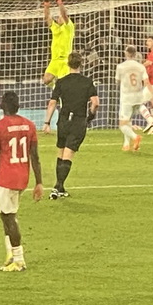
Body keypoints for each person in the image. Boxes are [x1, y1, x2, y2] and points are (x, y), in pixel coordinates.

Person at [0, 90, 44, 272]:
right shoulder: (29, 125)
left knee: (9, 218)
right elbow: (35, 157)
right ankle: (10, 253)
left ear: (2, 106)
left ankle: (19, 259)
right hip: (22, 176)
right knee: (7, 214)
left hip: (6, 178)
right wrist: (39, 182)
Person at [44, 52, 99, 199]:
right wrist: (91, 115)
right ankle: (56, 187)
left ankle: (60, 188)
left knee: (60, 152)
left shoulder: (61, 82)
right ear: (81, 64)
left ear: (68, 64)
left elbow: (52, 103)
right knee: (68, 154)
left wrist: (47, 122)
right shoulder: (87, 82)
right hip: (78, 120)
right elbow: (95, 102)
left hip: (63, 120)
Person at [115, 45, 149, 152]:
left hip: (127, 98)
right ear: (135, 54)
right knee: (128, 120)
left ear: (126, 53)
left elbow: (117, 81)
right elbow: (146, 81)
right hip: (138, 97)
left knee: (122, 124)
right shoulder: (141, 66)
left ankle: (135, 137)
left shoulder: (120, 66)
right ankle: (126, 144)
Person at [42, 0, 73, 90]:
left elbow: (64, 14)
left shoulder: (69, 27)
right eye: (58, 17)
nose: (59, 18)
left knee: (64, 86)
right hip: (54, 60)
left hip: (65, 61)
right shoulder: (55, 28)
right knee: (46, 80)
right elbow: (47, 17)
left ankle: (61, 98)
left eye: (60, 16)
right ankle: (55, 88)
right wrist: (46, 3)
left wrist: (59, 1)